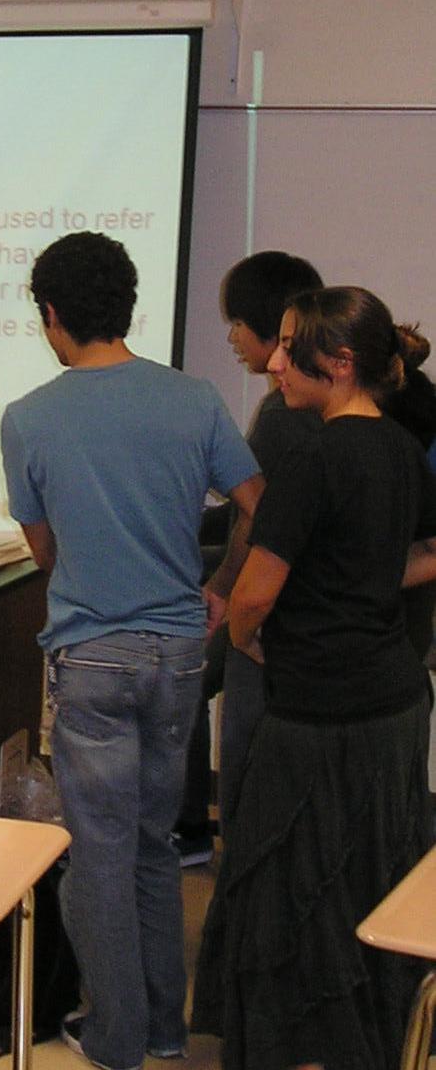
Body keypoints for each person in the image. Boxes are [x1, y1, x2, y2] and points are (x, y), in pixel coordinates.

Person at [0, 232, 263, 1070]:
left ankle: (115, 1035)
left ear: (51, 314)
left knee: (99, 849)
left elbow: (44, 550)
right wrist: (222, 582)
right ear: (128, 305)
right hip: (180, 652)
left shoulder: (29, 417)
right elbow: (258, 501)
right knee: (154, 840)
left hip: (92, 653)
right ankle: (165, 1025)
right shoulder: (194, 399)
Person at [193, 287, 436, 1070]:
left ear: (339, 363)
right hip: (393, 703)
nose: (274, 362)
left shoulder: (312, 458)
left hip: (319, 713)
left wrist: (246, 635)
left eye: (292, 347)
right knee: (372, 880)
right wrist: (355, 590)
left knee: (294, 887)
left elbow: (254, 593)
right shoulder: (401, 447)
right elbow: (407, 557)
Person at [206, 251, 326, 843]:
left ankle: (227, 855)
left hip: (274, 610)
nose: (232, 338)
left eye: (238, 324)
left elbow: (258, 521)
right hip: (311, 612)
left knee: (246, 752)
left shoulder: (284, 414)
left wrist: (225, 594)